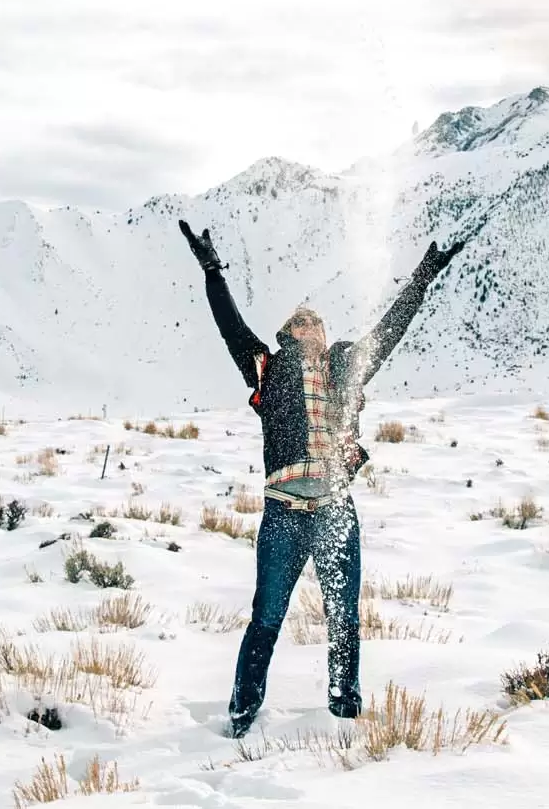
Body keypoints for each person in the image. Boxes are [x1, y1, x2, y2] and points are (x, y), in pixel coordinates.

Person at [177, 218, 466, 738]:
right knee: (266, 618)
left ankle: (344, 716)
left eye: (317, 322)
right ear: (290, 334)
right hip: (285, 512)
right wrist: (213, 270)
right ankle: (242, 714)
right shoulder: (269, 366)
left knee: (344, 619)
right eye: (302, 322)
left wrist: (423, 275)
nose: (312, 326)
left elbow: (390, 329)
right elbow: (230, 325)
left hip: (335, 509)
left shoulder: (345, 368)